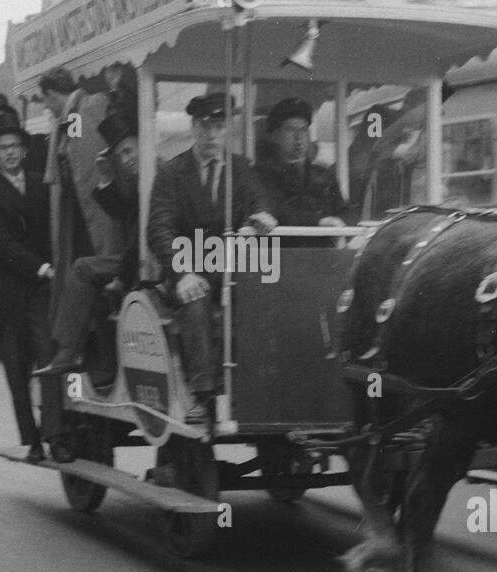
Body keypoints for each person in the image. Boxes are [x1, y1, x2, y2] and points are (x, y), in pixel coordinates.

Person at [146, 91, 275, 426]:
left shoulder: (242, 169)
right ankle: (203, 394)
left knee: (270, 301)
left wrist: (258, 221)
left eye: (218, 126)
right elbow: (159, 230)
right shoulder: (173, 173)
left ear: (228, 129)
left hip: (232, 272)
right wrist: (183, 274)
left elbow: (260, 205)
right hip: (187, 272)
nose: (211, 134)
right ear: (193, 127)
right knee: (197, 303)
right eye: (204, 126)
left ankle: (263, 387)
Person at [0, 118, 61, 462]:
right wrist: (42, 267)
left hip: (41, 289)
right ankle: (32, 440)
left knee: (49, 359)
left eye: (14, 147)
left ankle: (55, 435)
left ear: (24, 150)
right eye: (2, 148)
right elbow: (2, 244)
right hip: (9, 293)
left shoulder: (42, 184)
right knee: (17, 368)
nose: (9, 153)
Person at [35, 110, 140, 377]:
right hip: (140, 256)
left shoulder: (157, 173)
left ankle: (68, 351)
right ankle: (99, 369)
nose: (128, 159)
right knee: (96, 291)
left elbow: (140, 236)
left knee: (83, 268)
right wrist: (105, 177)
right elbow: (125, 214)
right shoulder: (142, 177)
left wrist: (123, 277)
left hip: (147, 259)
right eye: (123, 155)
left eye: (130, 151)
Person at [41, 67, 122, 325]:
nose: (46, 107)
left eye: (45, 100)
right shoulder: (73, 116)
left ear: (52, 94)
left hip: (96, 209)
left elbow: (81, 156)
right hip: (83, 212)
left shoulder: (90, 107)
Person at [255, 97, 348, 241]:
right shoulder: (261, 174)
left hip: (323, 255)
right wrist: (319, 222)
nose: (299, 137)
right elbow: (276, 209)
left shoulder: (324, 175)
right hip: (280, 255)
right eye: (290, 129)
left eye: (304, 129)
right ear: (275, 136)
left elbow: (343, 211)